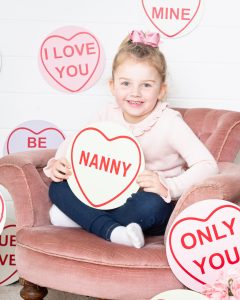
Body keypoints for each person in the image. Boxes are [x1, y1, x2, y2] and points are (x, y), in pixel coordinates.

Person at [44, 30, 218, 249]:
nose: (135, 93)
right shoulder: (107, 114)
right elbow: (75, 145)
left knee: (150, 206)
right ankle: (114, 230)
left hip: (143, 202)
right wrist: (59, 162)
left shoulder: (169, 122)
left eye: (146, 85)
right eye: (126, 83)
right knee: (57, 187)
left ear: (161, 90)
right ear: (112, 86)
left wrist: (170, 187)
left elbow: (208, 165)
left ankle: (85, 220)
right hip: (105, 195)